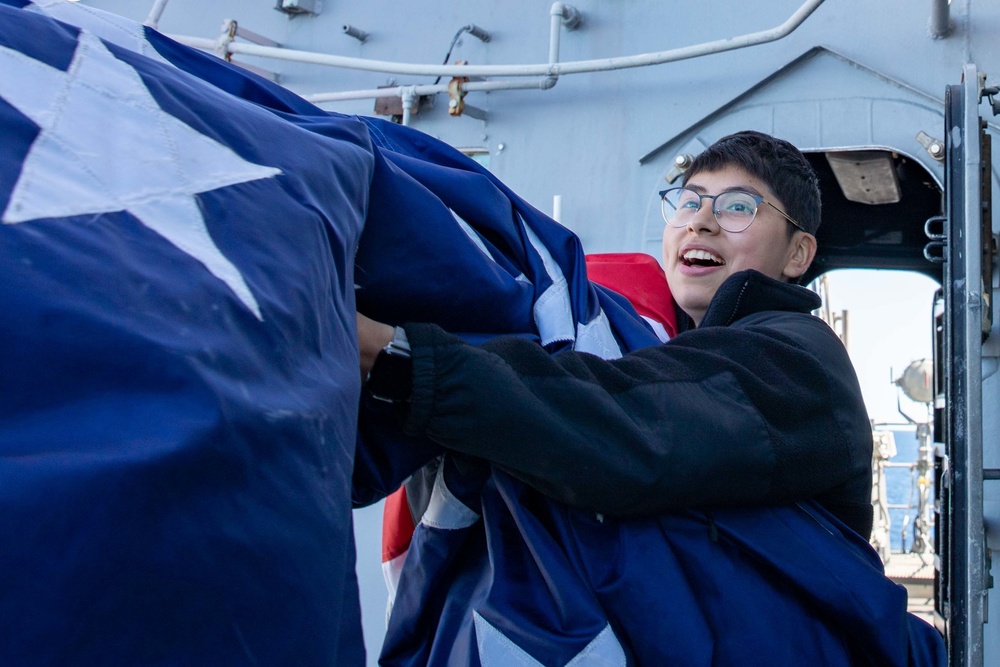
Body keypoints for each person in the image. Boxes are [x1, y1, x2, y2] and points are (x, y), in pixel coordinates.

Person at [358, 130, 873, 538]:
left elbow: (634, 428)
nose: (701, 223)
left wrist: (397, 357)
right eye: (689, 202)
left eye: (738, 206)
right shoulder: (661, 344)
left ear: (798, 254)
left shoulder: (799, 358)